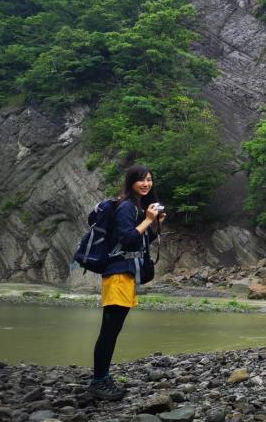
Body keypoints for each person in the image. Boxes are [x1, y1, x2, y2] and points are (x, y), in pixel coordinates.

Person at [87, 165, 165, 400]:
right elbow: (128, 238)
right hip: (117, 274)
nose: (146, 184)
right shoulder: (126, 207)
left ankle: (103, 376)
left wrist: (153, 223)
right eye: (141, 180)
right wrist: (147, 220)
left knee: (113, 330)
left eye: (149, 180)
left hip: (125, 274)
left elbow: (139, 242)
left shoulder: (135, 207)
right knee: (109, 331)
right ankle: (99, 380)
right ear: (131, 182)